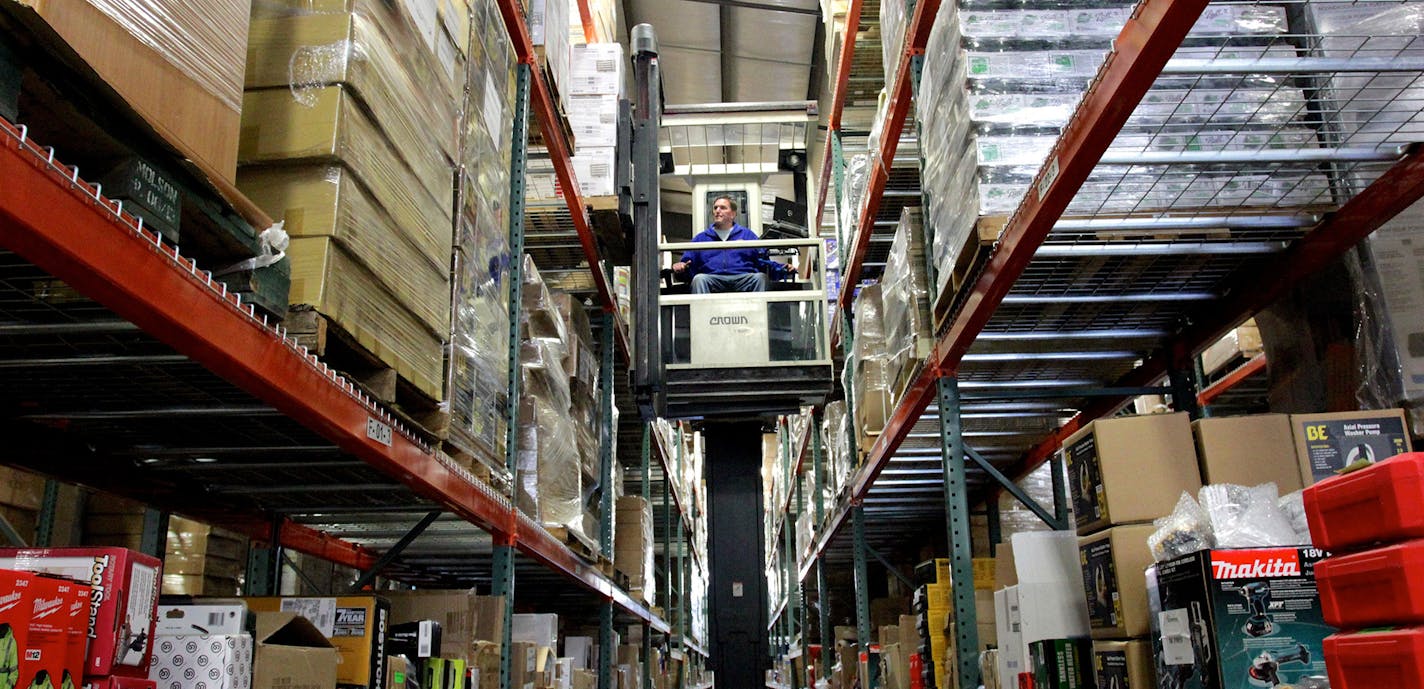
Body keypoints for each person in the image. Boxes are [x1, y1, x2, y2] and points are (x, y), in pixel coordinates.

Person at [671, 195, 796, 293]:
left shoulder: (748, 236)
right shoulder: (701, 238)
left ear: (733, 214)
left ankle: (760, 321)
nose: (717, 211)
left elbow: (763, 262)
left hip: (742, 278)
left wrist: (781, 269)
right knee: (699, 280)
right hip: (713, 279)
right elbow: (688, 263)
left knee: (760, 278)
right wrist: (680, 267)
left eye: (723, 208)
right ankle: (701, 322)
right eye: (715, 208)